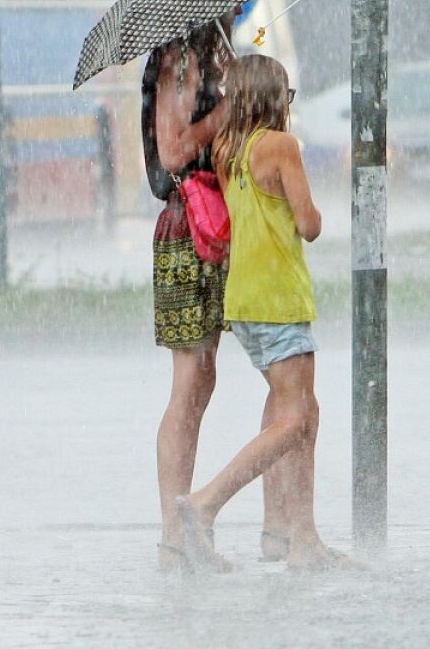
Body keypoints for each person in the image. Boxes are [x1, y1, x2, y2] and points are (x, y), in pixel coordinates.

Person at [173, 53, 358, 571]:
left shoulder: (227, 148)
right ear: (275, 99)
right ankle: (205, 504)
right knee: (296, 419)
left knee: (301, 413)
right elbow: (309, 224)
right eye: (287, 95)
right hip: (279, 298)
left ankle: (299, 538)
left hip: (246, 300)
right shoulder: (280, 146)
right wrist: (313, 206)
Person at [145, 15, 235, 573]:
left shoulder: (206, 59)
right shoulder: (179, 61)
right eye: (233, 7)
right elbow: (174, 152)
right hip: (187, 229)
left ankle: (182, 529)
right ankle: (173, 534)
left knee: (202, 377)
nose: (239, 14)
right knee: (188, 381)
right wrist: (226, 113)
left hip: (207, 227)